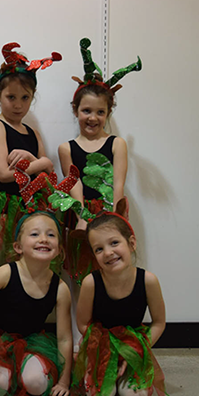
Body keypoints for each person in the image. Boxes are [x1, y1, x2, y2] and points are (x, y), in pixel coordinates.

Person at [0, 211, 73, 396]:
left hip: (33, 344)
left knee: (37, 385)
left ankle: (23, 371)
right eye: (35, 234)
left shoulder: (60, 289)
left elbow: (64, 338)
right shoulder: (6, 273)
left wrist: (64, 381)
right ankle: (9, 372)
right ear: (18, 247)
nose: (44, 239)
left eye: (51, 235)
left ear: (58, 249)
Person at [58, 38, 141, 284]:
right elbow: (74, 184)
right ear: (75, 110)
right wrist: (82, 216)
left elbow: (118, 184)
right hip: (81, 212)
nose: (93, 118)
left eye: (100, 112)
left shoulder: (117, 144)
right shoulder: (66, 148)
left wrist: (112, 219)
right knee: (83, 273)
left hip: (109, 210)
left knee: (111, 270)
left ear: (108, 113)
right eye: (86, 111)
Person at [0, 43, 61, 271]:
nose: (18, 105)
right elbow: (4, 174)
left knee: (35, 266)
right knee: (8, 266)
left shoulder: (33, 133)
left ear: (33, 97)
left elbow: (48, 171)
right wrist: (40, 163)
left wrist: (32, 158)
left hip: (34, 204)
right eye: (11, 97)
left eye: (25, 97)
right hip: (8, 207)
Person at [71, 207, 167, 396]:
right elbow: (82, 324)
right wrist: (107, 352)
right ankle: (100, 373)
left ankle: (123, 376)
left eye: (114, 243)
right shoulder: (91, 283)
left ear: (131, 243)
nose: (108, 252)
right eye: (99, 249)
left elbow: (159, 323)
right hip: (101, 347)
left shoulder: (148, 281)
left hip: (133, 346)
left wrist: (134, 350)